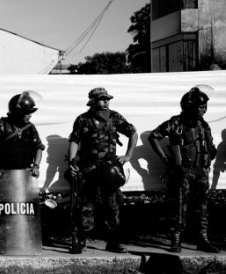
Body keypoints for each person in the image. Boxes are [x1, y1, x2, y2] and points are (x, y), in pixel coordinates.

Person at [148, 86, 219, 253]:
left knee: (202, 208)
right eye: (201, 107)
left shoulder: (204, 125)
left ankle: (203, 239)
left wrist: (208, 156)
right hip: (183, 171)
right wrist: (166, 160)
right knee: (179, 206)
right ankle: (176, 239)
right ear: (190, 106)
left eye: (205, 107)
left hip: (201, 171)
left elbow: (210, 147)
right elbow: (154, 136)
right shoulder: (176, 122)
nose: (204, 110)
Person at [67, 87, 138, 254]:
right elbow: (75, 141)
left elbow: (133, 133)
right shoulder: (83, 119)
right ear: (92, 101)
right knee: (85, 205)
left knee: (113, 205)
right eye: (102, 99)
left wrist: (128, 155)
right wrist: (72, 162)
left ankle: (113, 241)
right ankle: (81, 240)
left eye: (107, 99)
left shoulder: (115, 117)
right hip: (88, 168)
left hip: (110, 168)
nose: (106, 101)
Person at [0, 91, 44, 181]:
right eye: (27, 113)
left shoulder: (30, 127)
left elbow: (38, 147)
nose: (30, 115)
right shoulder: (1, 125)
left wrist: (36, 166)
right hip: (4, 173)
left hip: (25, 173)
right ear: (18, 112)